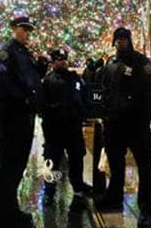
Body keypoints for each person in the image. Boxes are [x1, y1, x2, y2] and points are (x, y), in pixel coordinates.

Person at [96, 28, 151, 228]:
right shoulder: (111, 64)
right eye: (117, 40)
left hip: (136, 123)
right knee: (115, 163)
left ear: (129, 41)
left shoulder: (141, 62)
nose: (120, 43)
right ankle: (114, 197)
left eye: (124, 40)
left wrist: (144, 114)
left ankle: (146, 210)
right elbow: (105, 89)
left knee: (144, 164)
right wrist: (106, 110)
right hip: (115, 122)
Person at [0, 16, 43, 228]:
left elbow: (28, 79)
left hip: (24, 115)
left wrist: (40, 69)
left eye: (30, 30)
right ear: (13, 29)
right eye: (23, 29)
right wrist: (23, 98)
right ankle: (1, 216)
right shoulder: (6, 51)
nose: (27, 33)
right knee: (7, 166)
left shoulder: (23, 52)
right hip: (12, 114)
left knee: (17, 165)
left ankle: (10, 210)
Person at [41, 49, 92, 205]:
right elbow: (42, 104)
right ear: (53, 61)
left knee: (77, 157)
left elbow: (84, 96)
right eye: (59, 59)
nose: (63, 62)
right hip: (55, 127)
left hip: (73, 126)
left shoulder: (74, 78)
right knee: (52, 160)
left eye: (64, 59)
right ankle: (49, 191)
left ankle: (78, 186)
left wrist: (82, 111)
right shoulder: (48, 80)